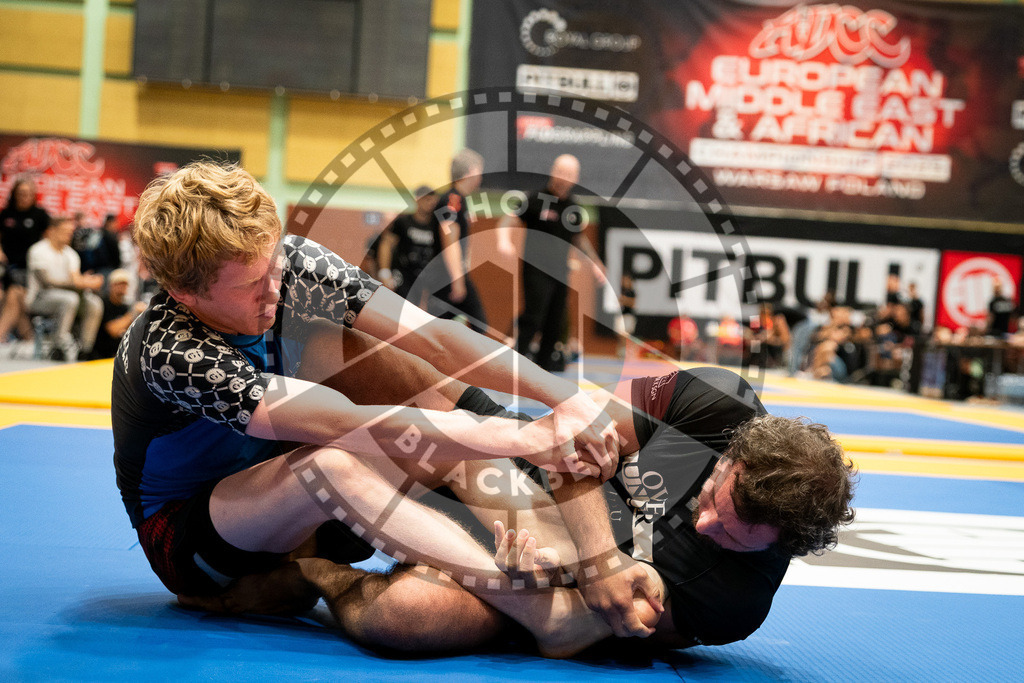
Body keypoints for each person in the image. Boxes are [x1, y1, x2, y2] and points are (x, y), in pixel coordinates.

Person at [113, 161, 621, 656]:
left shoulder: (291, 265)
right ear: (184, 293)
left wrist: (564, 398)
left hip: (292, 478)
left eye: (274, 267)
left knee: (360, 350)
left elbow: (436, 338)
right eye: (250, 285)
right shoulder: (172, 351)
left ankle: (563, 555)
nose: (275, 289)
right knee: (332, 466)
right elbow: (345, 425)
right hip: (199, 538)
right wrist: (526, 436)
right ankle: (548, 616)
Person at [190, 336, 856, 655]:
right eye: (716, 489)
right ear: (735, 450)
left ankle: (311, 573)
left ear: (779, 547)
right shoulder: (720, 403)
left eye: (729, 530)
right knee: (366, 352)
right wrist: (597, 558)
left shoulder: (735, 600)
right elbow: (569, 440)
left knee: (407, 616)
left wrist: (548, 567)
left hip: (527, 581)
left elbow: (572, 625)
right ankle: (275, 501)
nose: (706, 514)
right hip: (524, 473)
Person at [497, 154, 605, 371]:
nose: (563, 177)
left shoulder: (573, 207)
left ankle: (544, 368)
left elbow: (578, 237)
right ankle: (514, 364)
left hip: (560, 271)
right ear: (552, 171)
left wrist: (595, 263)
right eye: (560, 171)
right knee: (534, 316)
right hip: (535, 269)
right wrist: (503, 240)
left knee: (555, 322)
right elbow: (508, 219)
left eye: (569, 174)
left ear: (576, 177)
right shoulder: (537, 198)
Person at [423, 149, 489, 334]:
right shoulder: (452, 200)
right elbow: (450, 241)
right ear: (471, 171)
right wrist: (457, 279)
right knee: (477, 323)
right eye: (480, 171)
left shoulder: (459, 199)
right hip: (444, 275)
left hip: (446, 274)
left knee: (438, 327)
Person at [26, 216, 104, 360]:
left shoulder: (71, 254)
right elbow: (47, 282)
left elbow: (75, 279)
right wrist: (81, 282)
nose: (69, 235)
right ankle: (58, 346)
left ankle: (85, 348)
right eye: (65, 231)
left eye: (70, 232)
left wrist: (85, 282)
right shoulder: (38, 250)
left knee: (94, 303)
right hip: (39, 297)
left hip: (68, 296)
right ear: (52, 231)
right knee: (70, 299)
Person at [0, 177, 49, 344]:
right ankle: (29, 337)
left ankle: (3, 334)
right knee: (14, 297)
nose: (24, 197)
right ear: (14, 194)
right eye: (21, 194)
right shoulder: (6, 214)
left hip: (31, 269)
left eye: (28, 194)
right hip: (8, 267)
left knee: (15, 295)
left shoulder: (40, 215)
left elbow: (48, 240)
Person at [375, 185, 437, 306]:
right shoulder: (403, 222)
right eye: (427, 200)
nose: (430, 204)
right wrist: (384, 272)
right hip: (402, 274)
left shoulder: (435, 226)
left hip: (424, 277)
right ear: (418, 199)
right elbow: (386, 245)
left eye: (433, 201)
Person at [91, 268, 145, 359]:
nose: (122, 287)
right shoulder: (103, 303)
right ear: (111, 285)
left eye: (125, 284)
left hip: (117, 354)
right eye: (119, 284)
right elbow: (113, 330)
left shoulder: (125, 306)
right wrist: (133, 313)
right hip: (100, 355)